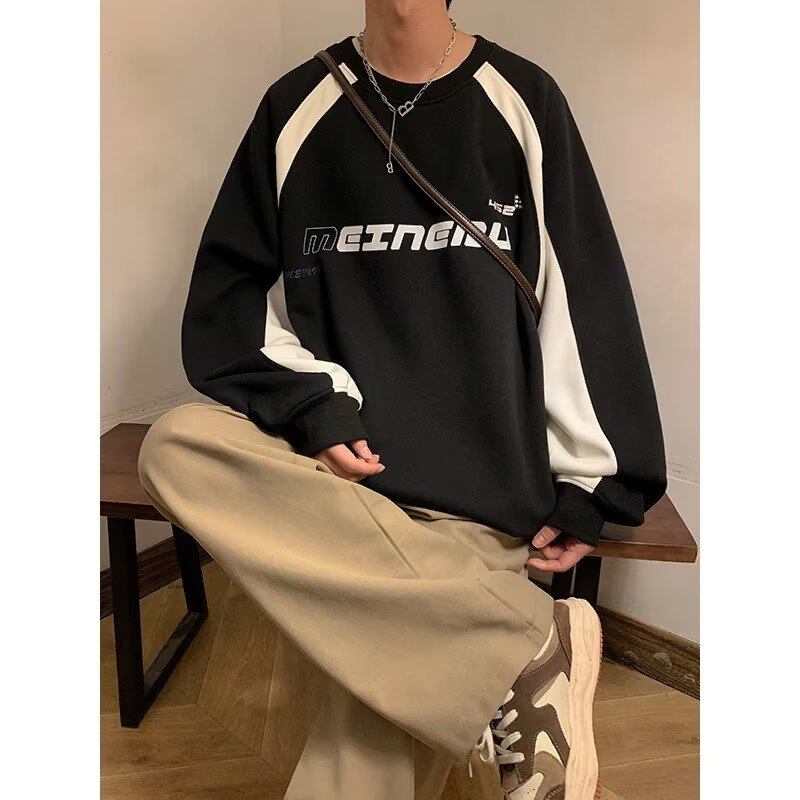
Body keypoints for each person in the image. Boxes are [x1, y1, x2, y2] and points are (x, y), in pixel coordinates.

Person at [138, 1, 666, 798]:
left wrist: (592, 484)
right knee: (175, 444)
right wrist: (317, 406)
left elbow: (583, 300)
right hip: (339, 496)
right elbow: (225, 302)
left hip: (475, 500)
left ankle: (496, 646)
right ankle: (522, 646)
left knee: (364, 741)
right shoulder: (297, 104)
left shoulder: (523, 101)